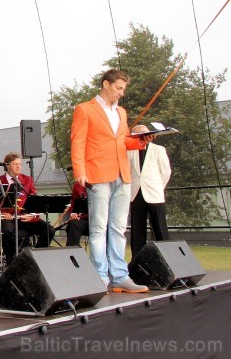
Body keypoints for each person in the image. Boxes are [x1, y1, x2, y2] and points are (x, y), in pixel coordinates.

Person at [70, 68, 149, 293]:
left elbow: (123, 140)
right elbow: (78, 141)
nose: (121, 93)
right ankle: (100, 276)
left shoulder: (121, 113)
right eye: (118, 88)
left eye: (123, 89)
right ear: (106, 84)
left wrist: (141, 140)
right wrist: (80, 171)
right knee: (98, 227)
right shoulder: (84, 109)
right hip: (97, 173)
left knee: (118, 228)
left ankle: (119, 276)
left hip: (121, 173)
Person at [0, 152, 55, 265]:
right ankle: (11, 262)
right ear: (7, 165)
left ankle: (36, 259)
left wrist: (32, 215)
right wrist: (2, 213)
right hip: (6, 218)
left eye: (20, 164)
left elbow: (35, 201)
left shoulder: (27, 180)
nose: (19, 166)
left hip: (24, 218)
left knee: (49, 230)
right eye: (15, 164)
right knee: (6, 230)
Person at [128, 124, 171, 257]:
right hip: (136, 193)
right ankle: (137, 261)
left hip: (154, 193)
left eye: (145, 133)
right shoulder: (129, 151)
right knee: (137, 230)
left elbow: (166, 172)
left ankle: (168, 259)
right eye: (139, 133)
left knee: (160, 228)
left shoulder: (158, 150)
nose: (143, 136)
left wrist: (158, 187)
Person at [64, 182, 89, 247]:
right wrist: (73, 213)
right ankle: (71, 252)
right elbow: (73, 202)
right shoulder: (78, 185)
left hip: (102, 219)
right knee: (73, 224)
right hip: (84, 219)